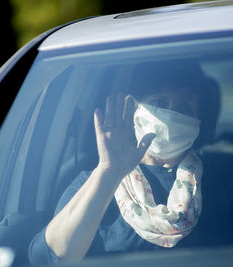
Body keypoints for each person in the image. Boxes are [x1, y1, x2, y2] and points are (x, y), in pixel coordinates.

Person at [28, 59, 220, 265]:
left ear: (200, 119)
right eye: (159, 103)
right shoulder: (95, 182)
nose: (170, 116)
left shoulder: (227, 180)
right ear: (134, 109)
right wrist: (109, 172)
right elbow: (52, 257)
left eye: (184, 108)